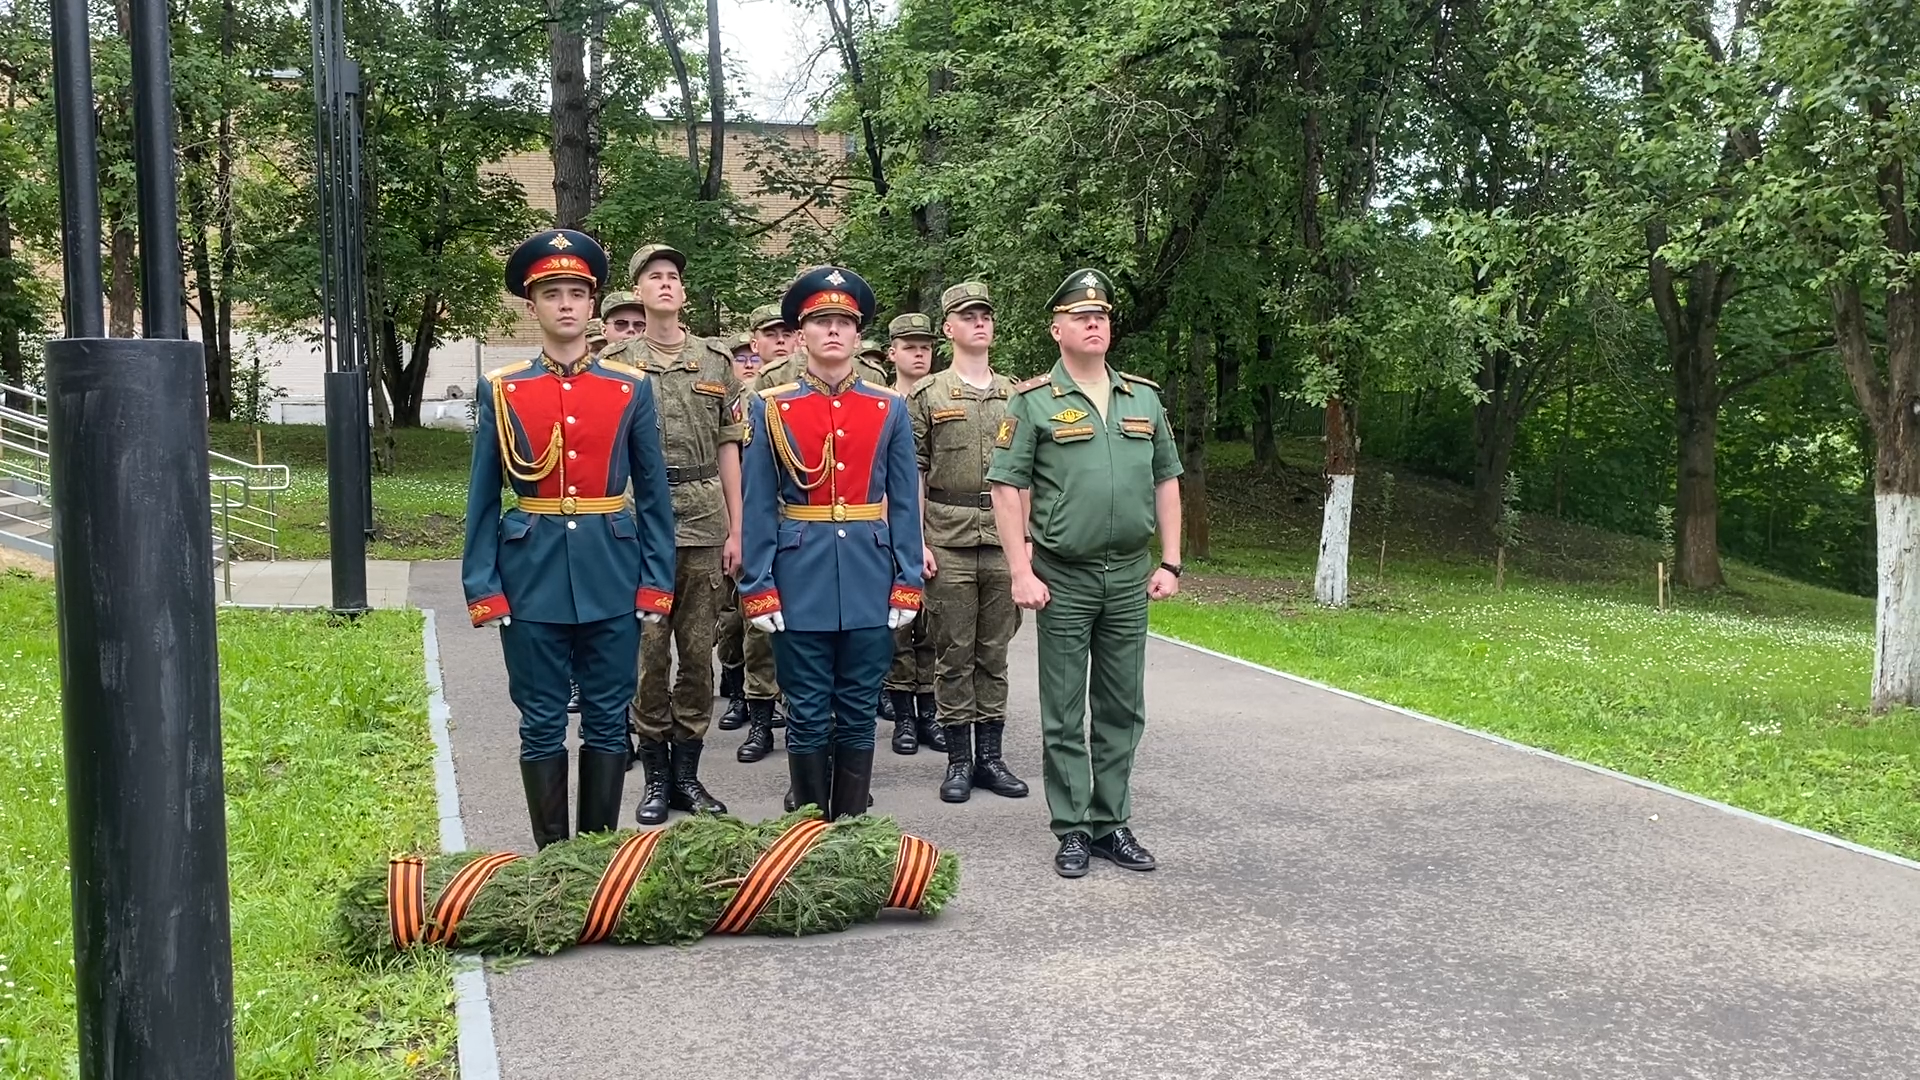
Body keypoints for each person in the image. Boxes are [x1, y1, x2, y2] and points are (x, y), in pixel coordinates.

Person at [462, 228, 676, 849]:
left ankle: (597, 859)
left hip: (612, 570)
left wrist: (656, 582)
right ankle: (553, 860)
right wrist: (483, 585)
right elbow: (482, 495)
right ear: (532, 306)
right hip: (530, 575)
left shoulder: (629, 387)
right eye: (552, 293)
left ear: (592, 304)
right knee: (540, 721)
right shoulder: (503, 388)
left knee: (608, 720)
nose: (565, 304)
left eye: (577, 294)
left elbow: (654, 495)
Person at [985, 268, 1183, 878]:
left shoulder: (1142, 398)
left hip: (1128, 577)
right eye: (1080, 316)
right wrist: (1020, 569)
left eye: (1101, 316)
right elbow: (1006, 486)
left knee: (1123, 708)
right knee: (1065, 710)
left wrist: (1171, 561)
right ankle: (1072, 827)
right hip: (1063, 578)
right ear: (1057, 329)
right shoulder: (1032, 401)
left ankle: (1111, 823)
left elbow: (1167, 481)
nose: (1094, 323)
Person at [739, 265, 925, 819]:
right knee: (806, 708)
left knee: (860, 708)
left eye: (844, 322)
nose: (834, 331)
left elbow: (905, 502)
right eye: (822, 321)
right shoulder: (772, 406)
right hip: (800, 576)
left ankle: (850, 823)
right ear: (802, 334)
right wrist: (757, 585)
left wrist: (908, 579)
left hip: (870, 572)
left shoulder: (888, 406)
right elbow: (757, 503)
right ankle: (807, 827)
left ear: (859, 335)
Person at [605, 242, 746, 825]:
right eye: (653, 276)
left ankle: (688, 774)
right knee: (648, 652)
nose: (665, 283)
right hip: (641, 520)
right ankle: (656, 778)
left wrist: (737, 529)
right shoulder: (615, 362)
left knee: (696, 653)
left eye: (672, 276)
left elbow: (729, 446)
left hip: (705, 518)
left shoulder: (715, 361)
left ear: (683, 292)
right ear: (638, 291)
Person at [909, 281, 1027, 802]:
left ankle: (991, 759)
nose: (979, 322)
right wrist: (915, 541)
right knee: (954, 652)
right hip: (947, 537)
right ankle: (959, 760)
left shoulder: (1016, 396)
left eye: (985, 315)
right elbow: (913, 472)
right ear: (948, 328)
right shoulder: (926, 395)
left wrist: (1027, 540)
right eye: (968, 316)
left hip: (1003, 539)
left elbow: (1027, 475)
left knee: (993, 653)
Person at [731, 304, 801, 754]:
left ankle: (802, 720)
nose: (781, 340)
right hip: (765, 515)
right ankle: (760, 718)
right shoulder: (761, 388)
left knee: (806, 628)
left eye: (786, 332)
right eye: (771, 333)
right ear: (755, 341)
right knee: (759, 626)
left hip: (805, 521)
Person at [881, 312, 944, 756]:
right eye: (910, 347)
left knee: (935, 627)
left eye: (925, 346)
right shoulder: (881, 403)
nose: (919, 354)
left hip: (941, 526)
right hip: (888, 526)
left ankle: (931, 712)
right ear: (892, 353)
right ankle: (904, 716)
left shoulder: (941, 398)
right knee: (899, 628)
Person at [715, 325, 767, 735]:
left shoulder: (770, 400)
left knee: (762, 620)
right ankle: (736, 691)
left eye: (753, 360)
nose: (748, 366)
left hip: (767, 517)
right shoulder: (725, 402)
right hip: (728, 516)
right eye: (741, 360)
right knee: (732, 618)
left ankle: (763, 705)